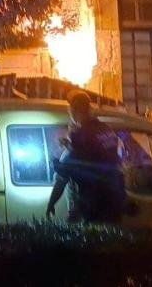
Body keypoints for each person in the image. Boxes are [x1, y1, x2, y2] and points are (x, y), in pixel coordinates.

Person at [46, 91, 125, 223]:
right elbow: (97, 155)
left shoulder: (80, 135)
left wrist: (51, 203)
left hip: (93, 203)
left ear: (73, 110)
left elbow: (63, 176)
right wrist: (70, 146)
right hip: (114, 201)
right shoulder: (106, 129)